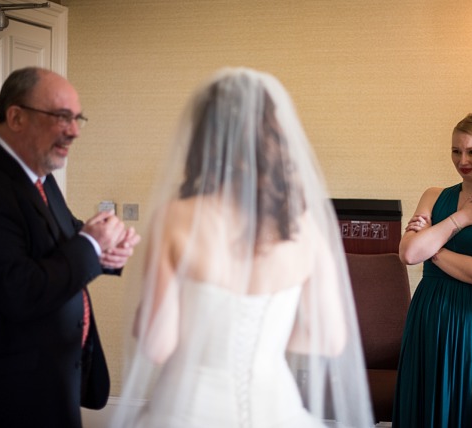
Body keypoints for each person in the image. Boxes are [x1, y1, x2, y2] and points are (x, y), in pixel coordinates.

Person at [111, 68, 373, 427]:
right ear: (274, 135)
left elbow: (157, 345)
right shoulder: (303, 226)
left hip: (188, 410)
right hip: (275, 407)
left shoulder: (175, 219)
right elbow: (327, 339)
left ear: (203, 138)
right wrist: (266, 344)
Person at [0, 67, 140, 428]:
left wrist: (106, 252)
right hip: (7, 397)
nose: (74, 130)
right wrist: (90, 244)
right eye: (61, 117)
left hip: (52, 378)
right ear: (16, 116)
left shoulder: (37, 173)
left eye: (77, 118)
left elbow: (66, 236)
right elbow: (19, 289)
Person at [393, 113, 472, 427]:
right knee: (425, 398)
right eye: (456, 151)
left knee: (467, 401)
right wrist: (462, 218)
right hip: (428, 311)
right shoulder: (434, 195)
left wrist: (432, 247)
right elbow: (408, 253)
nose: (462, 160)